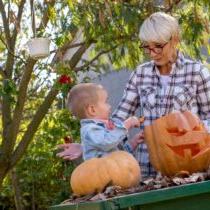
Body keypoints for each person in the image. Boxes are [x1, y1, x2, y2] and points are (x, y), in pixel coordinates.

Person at [57, 12, 210, 178]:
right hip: (148, 169)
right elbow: (118, 120)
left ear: (174, 40)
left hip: (192, 167)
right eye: (146, 47)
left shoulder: (197, 72)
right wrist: (90, 145)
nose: (152, 53)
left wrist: (187, 135)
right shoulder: (140, 74)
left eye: (158, 46)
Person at [59, 83, 144, 160]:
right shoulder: (90, 130)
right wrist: (127, 124)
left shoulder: (103, 128)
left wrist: (133, 143)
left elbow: (116, 152)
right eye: (106, 102)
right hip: (106, 175)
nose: (109, 106)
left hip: (117, 171)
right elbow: (108, 143)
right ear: (92, 110)